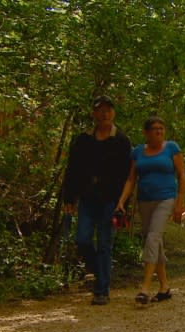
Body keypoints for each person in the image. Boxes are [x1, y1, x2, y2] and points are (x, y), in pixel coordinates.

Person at [61, 95, 132, 305]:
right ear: (94, 114)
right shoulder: (83, 139)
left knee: (104, 243)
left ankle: (102, 290)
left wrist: (123, 203)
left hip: (110, 199)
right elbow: (72, 169)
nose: (104, 113)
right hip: (87, 197)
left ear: (114, 113)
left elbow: (127, 175)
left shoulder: (121, 140)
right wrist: (69, 197)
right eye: (100, 110)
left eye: (108, 109)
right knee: (82, 239)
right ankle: (100, 272)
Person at [116, 116, 185, 304]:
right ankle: (164, 287)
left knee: (152, 238)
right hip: (144, 201)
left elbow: (181, 175)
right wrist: (121, 201)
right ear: (146, 132)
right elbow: (131, 179)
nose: (159, 132)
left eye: (161, 128)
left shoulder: (172, 148)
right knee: (155, 242)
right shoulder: (138, 152)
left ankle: (145, 288)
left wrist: (180, 202)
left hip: (166, 199)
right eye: (155, 129)